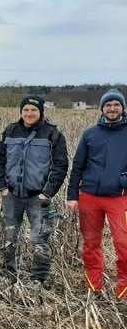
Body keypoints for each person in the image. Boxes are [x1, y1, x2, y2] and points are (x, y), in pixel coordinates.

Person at [0, 96, 68, 289]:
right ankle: (9, 274)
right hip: (12, 195)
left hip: (38, 197)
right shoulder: (10, 131)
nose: (29, 113)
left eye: (33, 110)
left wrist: (47, 193)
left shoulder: (53, 134)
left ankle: (38, 279)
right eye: (25, 109)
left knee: (39, 239)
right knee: (9, 237)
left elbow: (60, 166)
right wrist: (1, 187)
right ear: (21, 111)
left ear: (40, 112)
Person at [67, 88, 127, 299]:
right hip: (89, 197)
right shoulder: (90, 134)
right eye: (108, 105)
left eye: (116, 105)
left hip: (120, 198)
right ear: (102, 109)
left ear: (122, 108)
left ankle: (124, 287)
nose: (112, 108)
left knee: (123, 243)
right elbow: (77, 166)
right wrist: (72, 195)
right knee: (91, 242)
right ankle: (95, 284)